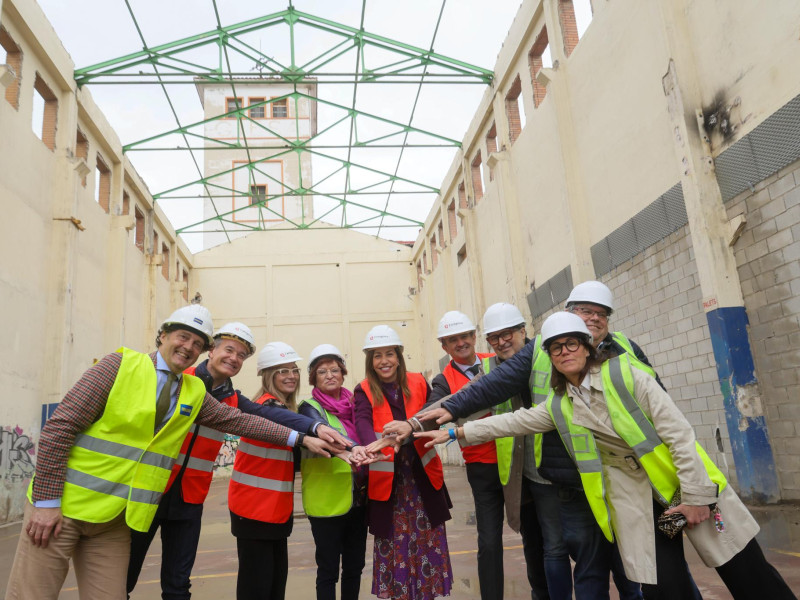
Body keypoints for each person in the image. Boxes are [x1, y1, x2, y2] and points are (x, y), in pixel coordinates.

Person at [417, 312, 796, 599]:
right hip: (646, 508)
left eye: (572, 344)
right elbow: (512, 422)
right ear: (548, 357)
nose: (564, 352)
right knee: (665, 587)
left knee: (747, 573)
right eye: (556, 348)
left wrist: (696, 497)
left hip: (686, 489)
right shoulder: (562, 403)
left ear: (587, 347)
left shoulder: (626, 376)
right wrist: (453, 431)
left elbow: (680, 436)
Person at [5, 305, 321, 600]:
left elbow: (243, 421)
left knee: (140, 589)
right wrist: (46, 501)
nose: (188, 347)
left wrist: (304, 437)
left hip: (126, 515)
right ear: (164, 336)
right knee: (35, 593)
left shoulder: (194, 391)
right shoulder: (119, 366)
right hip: (70, 506)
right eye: (183, 337)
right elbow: (60, 427)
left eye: (197, 343)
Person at [126, 324, 349, 599]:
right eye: (229, 350)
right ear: (211, 350)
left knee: (178, 586)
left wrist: (313, 429)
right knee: (124, 577)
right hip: (150, 489)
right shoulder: (180, 379)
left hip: (189, 497)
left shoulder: (232, 399)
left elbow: (269, 417)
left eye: (241, 355)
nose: (234, 358)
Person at [383, 305, 552, 599]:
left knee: (532, 532)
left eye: (465, 336)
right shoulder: (444, 380)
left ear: (475, 337)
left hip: (515, 463)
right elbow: (434, 410)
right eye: (453, 339)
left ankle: (542, 592)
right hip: (482, 466)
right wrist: (410, 428)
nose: (461, 343)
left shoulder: (498, 362)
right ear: (444, 346)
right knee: (489, 540)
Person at [229, 341, 351, 600]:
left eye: (294, 370)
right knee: (257, 588)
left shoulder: (283, 409)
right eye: (282, 370)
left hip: (274, 511)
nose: (291, 376)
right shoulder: (266, 408)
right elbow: (292, 426)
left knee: (274, 586)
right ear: (268, 375)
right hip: (253, 509)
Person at [355, 325, 453, 599]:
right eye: (377, 355)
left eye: (389, 354)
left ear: (398, 357)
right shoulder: (363, 390)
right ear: (370, 361)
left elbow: (433, 416)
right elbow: (362, 421)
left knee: (428, 542)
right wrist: (372, 445)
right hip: (389, 485)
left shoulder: (419, 381)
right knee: (395, 546)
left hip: (424, 480)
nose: (384, 361)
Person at [298, 344, 370, 600]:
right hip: (326, 502)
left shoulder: (356, 405)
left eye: (335, 370)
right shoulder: (309, 408)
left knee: (354, 567)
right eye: (322, 372)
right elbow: (327, 436)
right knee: (328, 570)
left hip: (359, 499)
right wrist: (357, 449)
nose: (330, 375)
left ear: (343, 373)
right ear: (313, 378)